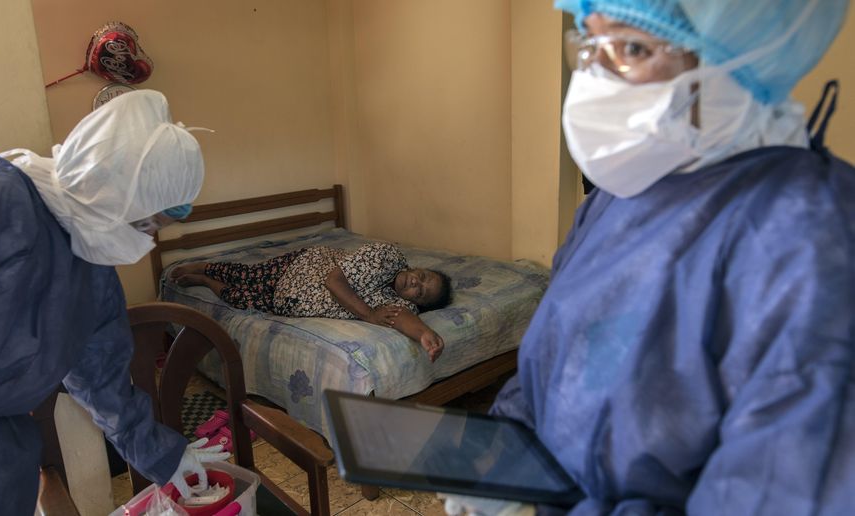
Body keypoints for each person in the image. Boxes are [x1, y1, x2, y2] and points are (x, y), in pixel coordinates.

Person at [481, 0, 855, 514]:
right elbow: (554, 351)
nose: (594, 79)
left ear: (743, 59)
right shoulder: (622, 194)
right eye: (589, 46)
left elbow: (780, 491)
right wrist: (503, 454)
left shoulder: (813, 238)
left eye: (632, 47)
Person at [0, 90, 229, 514]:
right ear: (113, 191)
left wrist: (165, 455)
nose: (148, 240)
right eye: (147, 223)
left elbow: (103, 383)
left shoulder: (94, 271)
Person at [170, 242, 453, 362]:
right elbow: (334, 281)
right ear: (418, 268)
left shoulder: (395, 303)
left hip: (286, 301)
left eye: (422, 293)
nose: (416, 283)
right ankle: (207, 267)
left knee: (240, 299)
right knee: (245, 275)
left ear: (417, 303)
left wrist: (426, 334)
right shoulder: (386, 256)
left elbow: (402, 318)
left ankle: (205, 282)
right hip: (300, 269)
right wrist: (367, 314)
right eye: (422, 277)